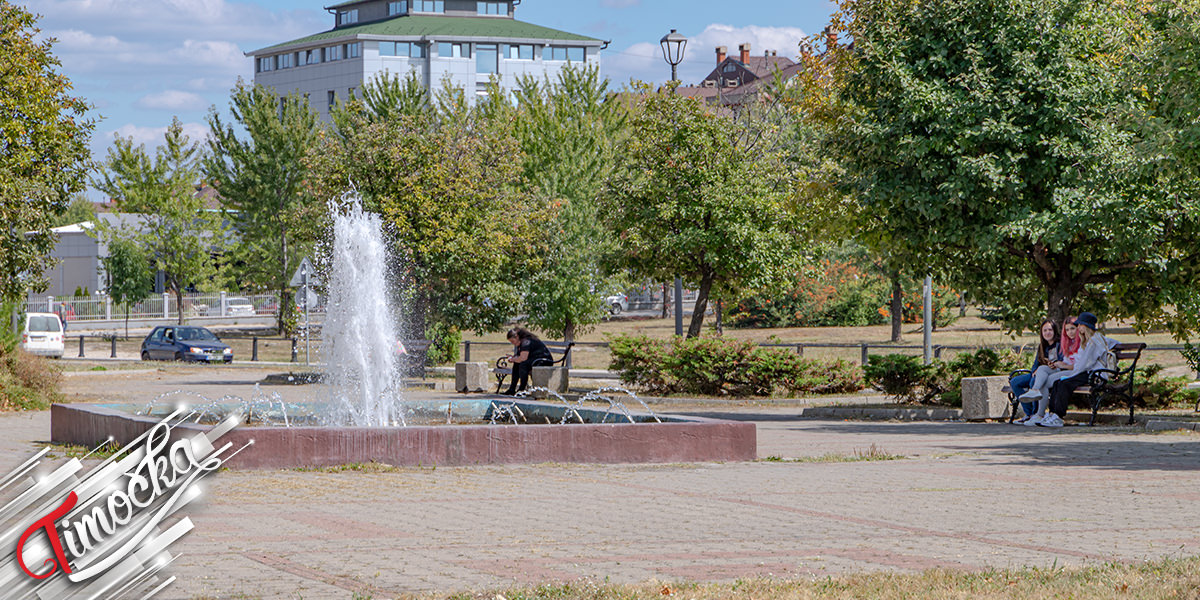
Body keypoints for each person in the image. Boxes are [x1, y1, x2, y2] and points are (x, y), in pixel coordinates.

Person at [1030, 312, 1115, 428]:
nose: (1078, 328)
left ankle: (1058, 416)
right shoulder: (1088, 340)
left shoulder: (1094, 341)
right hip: (1086, 372)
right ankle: (1053, 414)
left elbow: (1085, 364)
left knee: (1064, 383)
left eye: (1080, 325)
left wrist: (1071, 374)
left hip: (1094, 375)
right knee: (1057, 382)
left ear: (1086, 327)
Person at [1017, 316, 1080, 423]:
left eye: (1073, 329)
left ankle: (1038, 413)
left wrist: (1061, 365)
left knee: (1042, 379)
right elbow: (1037, 364)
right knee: (1040, 371)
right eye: (1067, 330)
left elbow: (1080, 365)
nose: (1070, 332)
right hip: (1059, 369)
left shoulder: (1076, 342)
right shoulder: (1065, 342)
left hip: (1071, 371)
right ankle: (1035, 406)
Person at [1010, 319, 1060, 424]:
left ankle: (1036, 413)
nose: (1047, 332)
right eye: (1045, 330)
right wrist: (1034, 372)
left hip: (1051, 373)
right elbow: (1036, 364)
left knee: (1034, 383)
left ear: (1055, 331)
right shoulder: (1042, 346)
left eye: (1050, 330)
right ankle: (1029, 413)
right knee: (1015, 381)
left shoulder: (1059, 345)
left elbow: (1060, 362)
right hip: (1037, 373)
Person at [502, 327, 553, 395]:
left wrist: (513, 359)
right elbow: (520, 357)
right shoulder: (522, 342)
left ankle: (522, 389)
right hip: (535, 360)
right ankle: (512, 389)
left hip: (544, 360)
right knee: (517, 364)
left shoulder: (526, 342)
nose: (513, 343)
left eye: (513, 341)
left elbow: (523, 358)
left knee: (523, 365)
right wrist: (513, 358)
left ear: (517, 337)